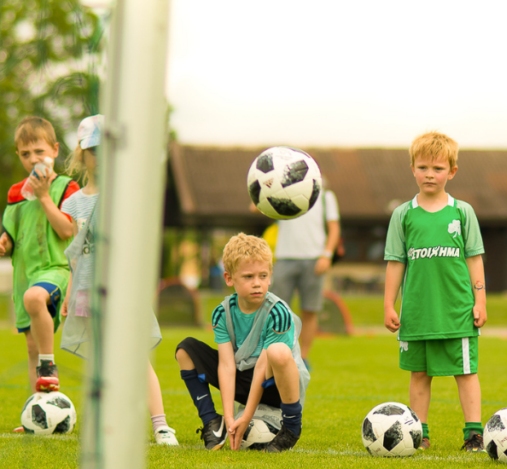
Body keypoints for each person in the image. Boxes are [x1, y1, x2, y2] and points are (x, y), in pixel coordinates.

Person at [58, 115, 177, 444]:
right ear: (82, 152)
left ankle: (161, 424)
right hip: (86, 291)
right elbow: (76, 255)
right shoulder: (73, 202)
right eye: (95, 150)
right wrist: (69, 295)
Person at [383, 131, 487, 451]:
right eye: (424, 167)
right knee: (419, 374)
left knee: (466, 373)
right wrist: (389, 304)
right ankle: (419, 433)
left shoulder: (462, 211)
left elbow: (474, 258)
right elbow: (396, 262)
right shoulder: (403, 214)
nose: (430, 174)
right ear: (412, 168)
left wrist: (480, 299)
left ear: (452, 172)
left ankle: (473, 434)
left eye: (438, 169)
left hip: (457, 309)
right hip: (416, 310)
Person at [175, 233, 310, 452]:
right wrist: (230, 417)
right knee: (186, 349)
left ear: (270, 276)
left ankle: (292, 427)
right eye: (248, 277)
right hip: (245, 378)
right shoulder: (222, 313)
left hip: (276, 384)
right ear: (229, 279)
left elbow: (261, 368)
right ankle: (212, 422)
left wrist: (246, 416)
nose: (257, 283)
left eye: (263, 275)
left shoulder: (277, 312)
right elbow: (227, 366)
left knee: (277, 350)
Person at [0, 116, 79, 411]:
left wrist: (44, 196)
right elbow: (10, 232)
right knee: (31, 347)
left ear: (55, 150)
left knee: (36, 298)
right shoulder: (15, 192)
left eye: (39, 151)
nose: (33, 159)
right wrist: (4, 242)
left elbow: (67, 231)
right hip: (25, 275)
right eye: (25, 153)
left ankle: (49, 366)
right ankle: (40, 410)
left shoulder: (66, 187)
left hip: (55, 270)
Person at [267, 167, 341, 368]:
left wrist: (327, 255)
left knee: (310, 310)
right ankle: (280, 354)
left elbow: (334, 228)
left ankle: (303, 358)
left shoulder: (326, 197)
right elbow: (254, 207)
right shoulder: (283, 194)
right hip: (284, 258)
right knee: (278, 310)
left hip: (314, 259)